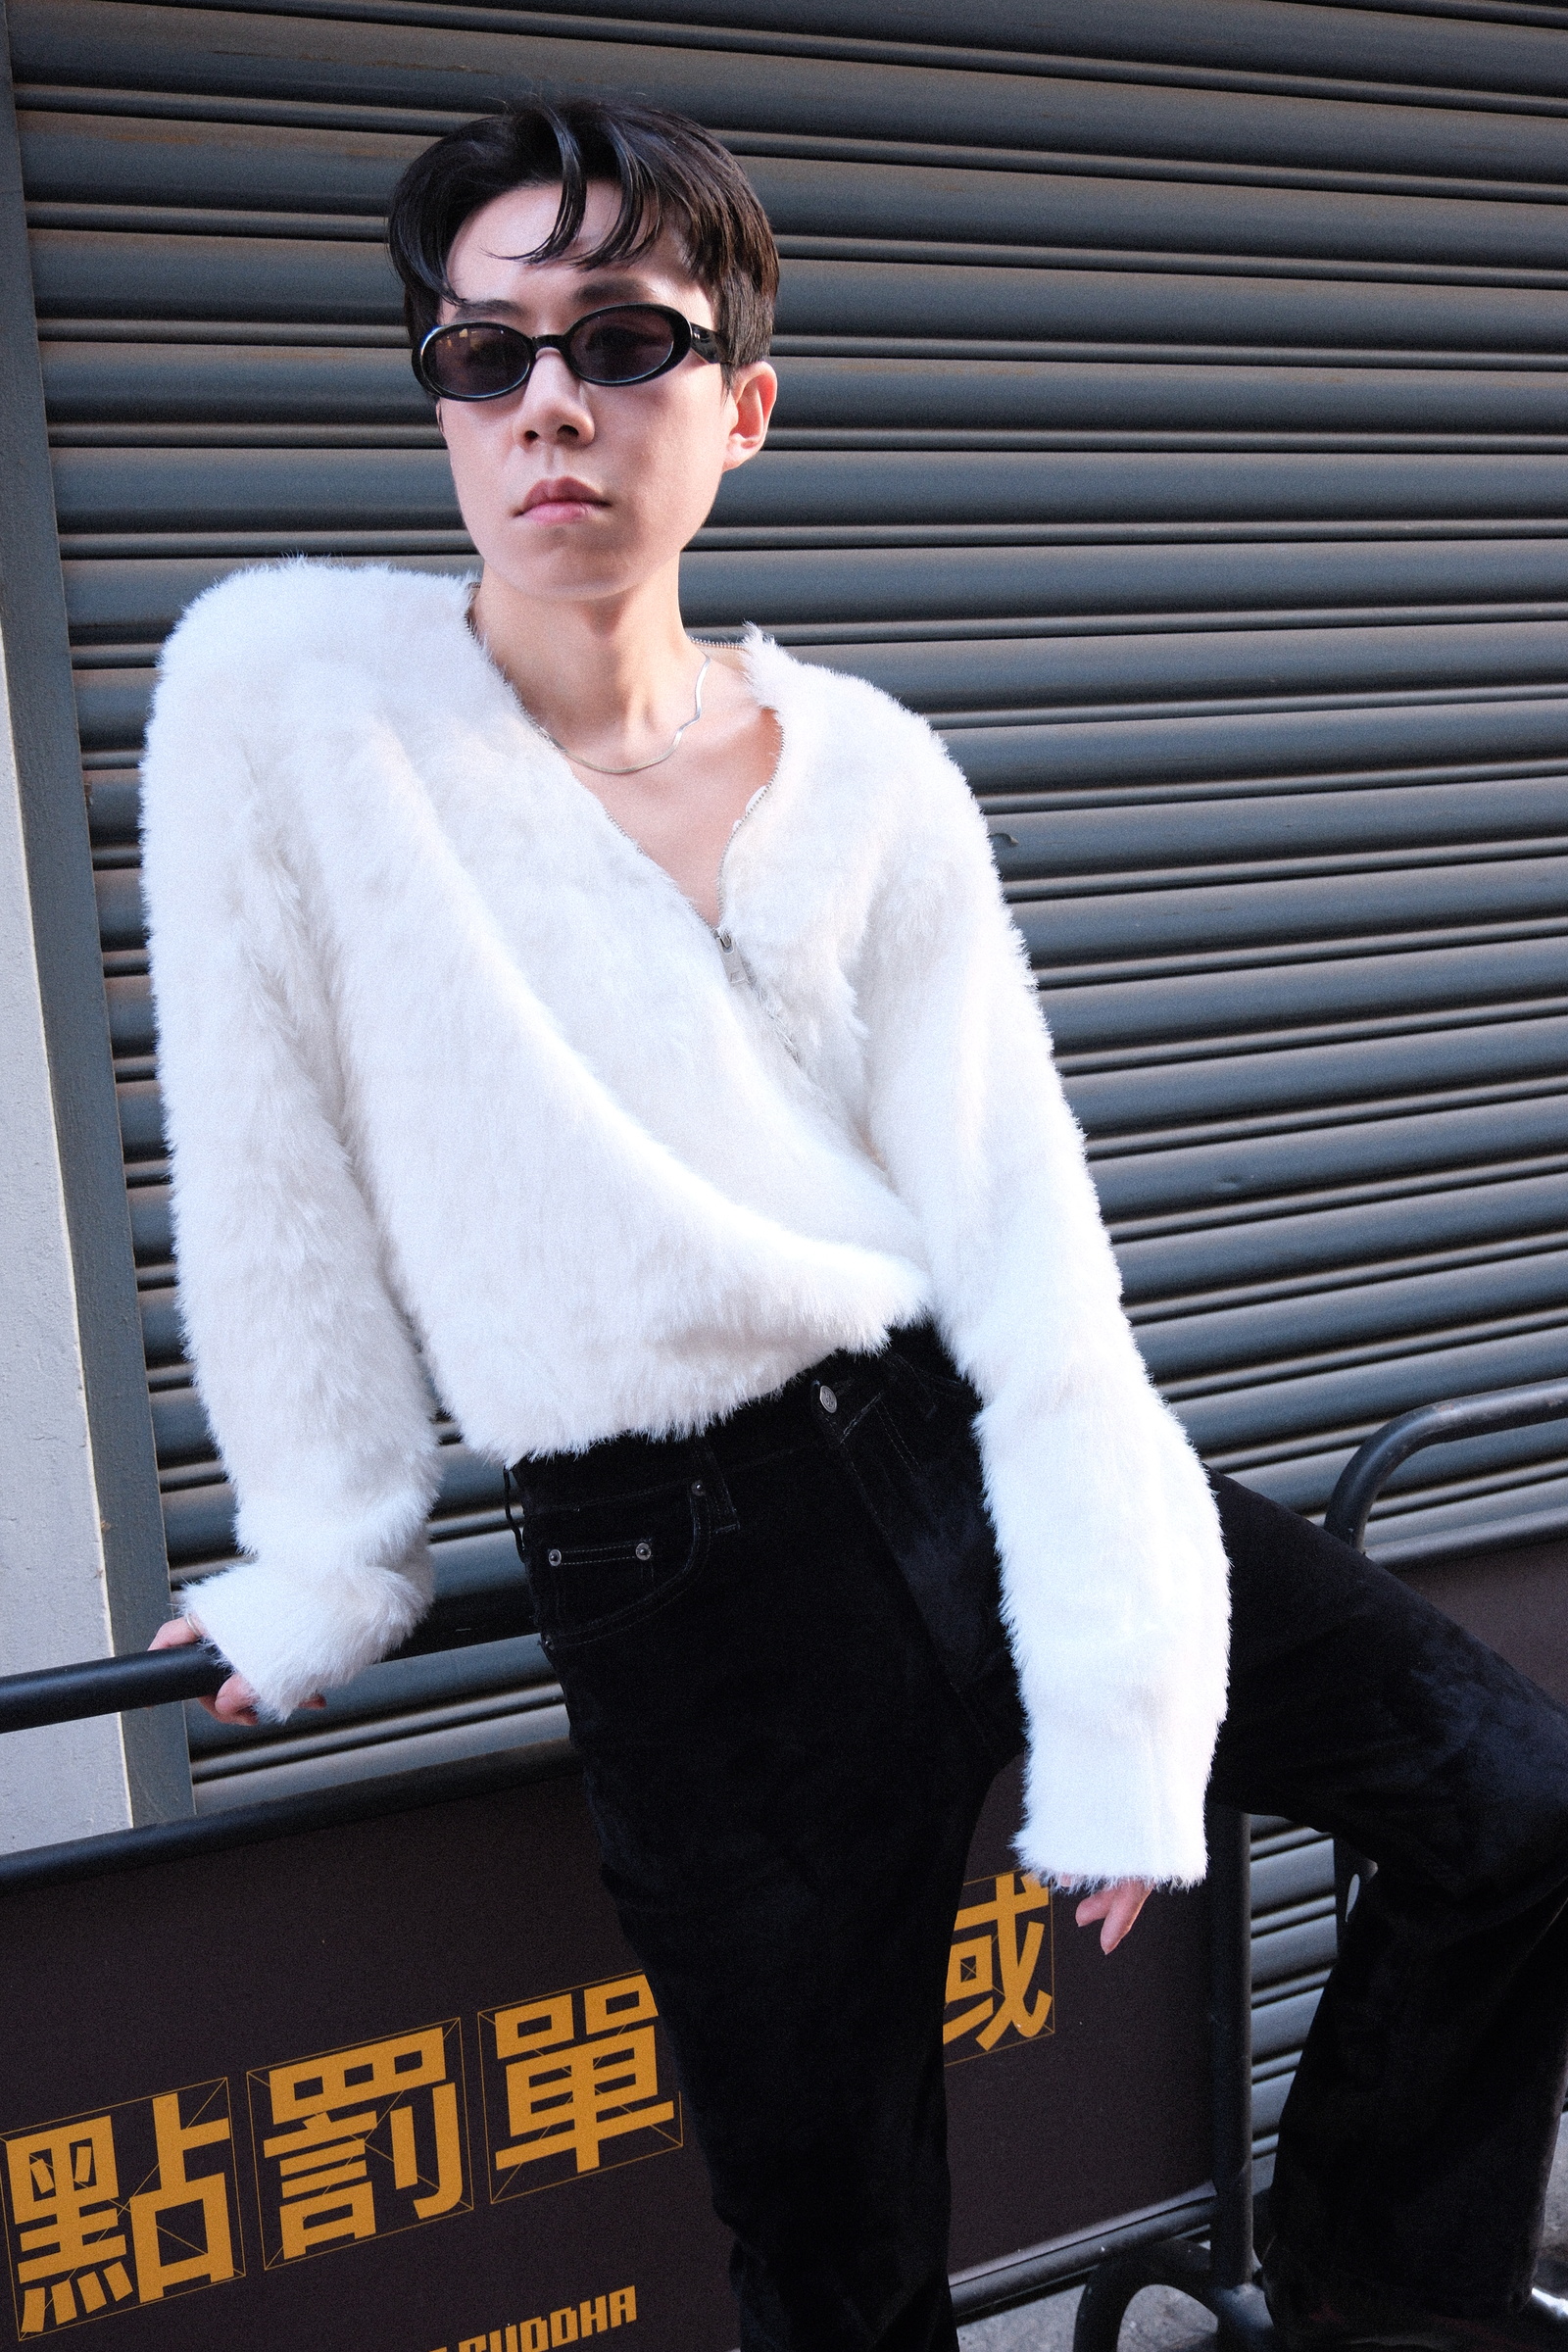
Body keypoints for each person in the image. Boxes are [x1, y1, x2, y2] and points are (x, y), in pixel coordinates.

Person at [142, 97, 1568, 2352]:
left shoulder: (864, 767)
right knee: (838, 2262)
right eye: (481, 354)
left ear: (742, 407)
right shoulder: (298, 717)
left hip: (954, 1440)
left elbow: (1023, 1231)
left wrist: (1123, 1699)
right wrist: (327, 1555)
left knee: (1509, 1798)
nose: (545, 406)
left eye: (621, 341)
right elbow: (261, 1158)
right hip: (683, 1570)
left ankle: (1378, 2312)